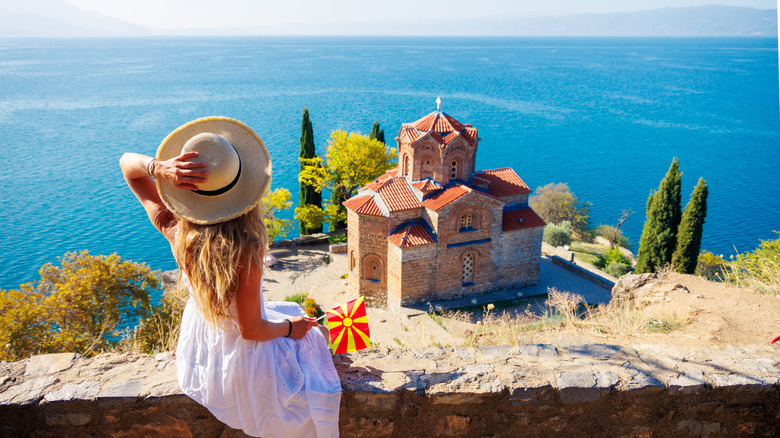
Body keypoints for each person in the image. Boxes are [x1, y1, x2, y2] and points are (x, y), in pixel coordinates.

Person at [120, 116, 341, 437]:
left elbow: (127, 166)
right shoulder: (245, 250)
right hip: (242, 364)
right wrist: (293, 330)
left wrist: (158, 168)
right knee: (311, 340)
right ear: (244, 193)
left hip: (202, 353)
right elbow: (251, 330)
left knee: (292, 314)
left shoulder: (176, 230)